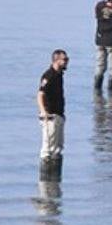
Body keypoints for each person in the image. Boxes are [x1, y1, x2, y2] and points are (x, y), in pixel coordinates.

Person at [37, 49, 68, 182]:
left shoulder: (59, 74)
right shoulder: (49, 75)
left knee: (58, 148)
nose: (67, 62)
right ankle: (45, 182)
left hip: (59, 115)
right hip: (50, 116)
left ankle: (54, 181)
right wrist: (43, 111)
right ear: (56, 60)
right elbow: (40, 94)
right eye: (65, 60)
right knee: (48, 149)